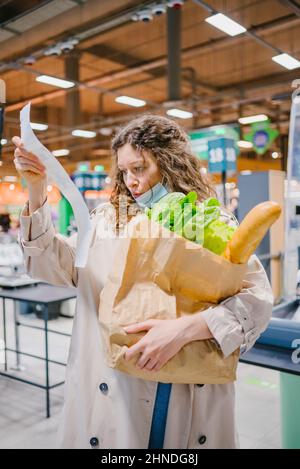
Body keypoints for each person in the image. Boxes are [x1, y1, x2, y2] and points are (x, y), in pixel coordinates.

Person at [12, 115, 273, 449]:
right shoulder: (108, 222)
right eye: (124, 171)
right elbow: (57, 265)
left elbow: (257, 299)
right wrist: (36, 189)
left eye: (139, 168)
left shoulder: (212, 220)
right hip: (117, 388)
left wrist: (187, 329)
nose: (130, 181)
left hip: (188, 388)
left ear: (171, 163)